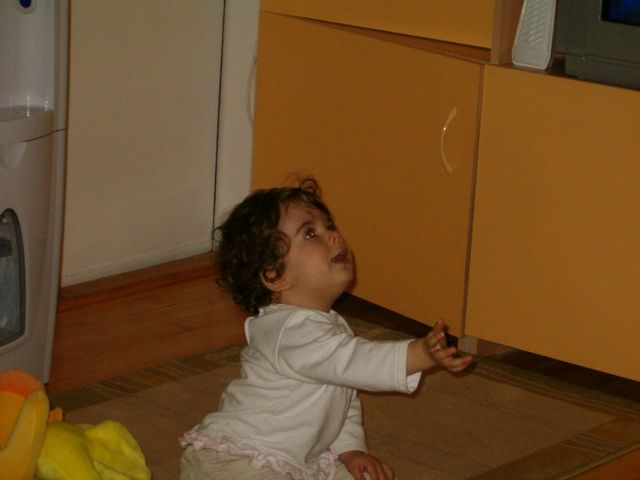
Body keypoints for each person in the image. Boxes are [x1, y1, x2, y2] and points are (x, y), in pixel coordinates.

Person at [180, 179, 473, 480]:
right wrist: (419, 354)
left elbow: (341, 394)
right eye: (310, 233)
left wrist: (351, 449)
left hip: (293, 459)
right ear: (275, 276)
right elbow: (355, 362)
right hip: (238, 461)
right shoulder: (289, 331)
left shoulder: (327, 326)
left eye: (328, 225)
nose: (333, 235)